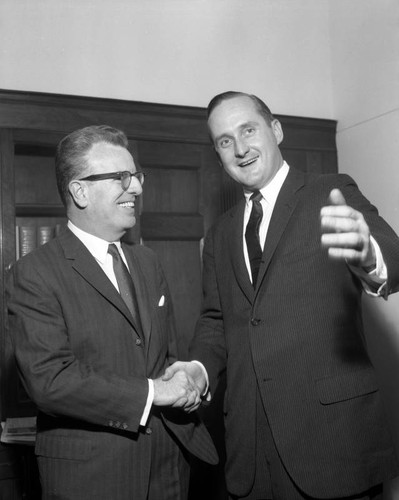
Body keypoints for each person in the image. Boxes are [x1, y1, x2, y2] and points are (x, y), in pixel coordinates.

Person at [164, 91, 399, 500]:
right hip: (250, 453)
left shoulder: (329, 190)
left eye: (248, 130)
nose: (239, 149)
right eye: (224, 141)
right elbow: (218, 320)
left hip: (332, 445)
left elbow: (392, 258)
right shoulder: (220, 234)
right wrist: (199, 368)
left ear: (275, 130)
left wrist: (368, 254)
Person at [6, 125, 217, 500]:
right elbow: (50, 381)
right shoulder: (34, 273)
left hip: (171, 468)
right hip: (94, 479)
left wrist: (184, 377)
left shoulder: (148, 262)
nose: (136, 187)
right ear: (80, 190)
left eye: (136, 176)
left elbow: (161, 356)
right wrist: (154, 392)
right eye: (121, 177)